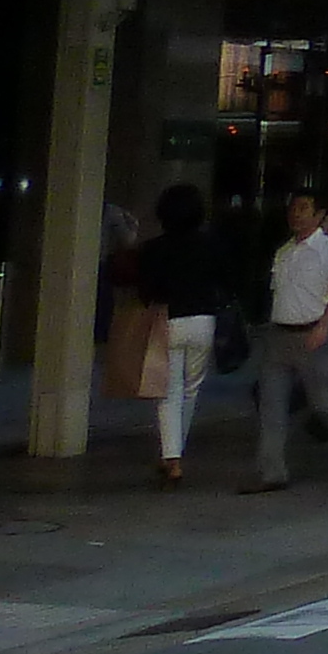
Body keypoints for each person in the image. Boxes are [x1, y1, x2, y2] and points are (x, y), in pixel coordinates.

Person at [247, 189, 328, 488]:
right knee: (271, 405)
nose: (296, 214)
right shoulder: (283, 252)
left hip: (314, 332)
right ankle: (272, 472)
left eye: (304, 208)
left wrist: (324, 325)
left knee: (324, 402)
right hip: (280, 334)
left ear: (319, 214)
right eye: (293, 208)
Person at [130, 187, 225, 488]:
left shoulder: (154, 248)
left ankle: (172, 460)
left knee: (167, 392)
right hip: (204, 321)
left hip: (168, 321)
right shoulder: (211, 245)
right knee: (190, 390)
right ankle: (174, 453)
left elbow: (145, 290)